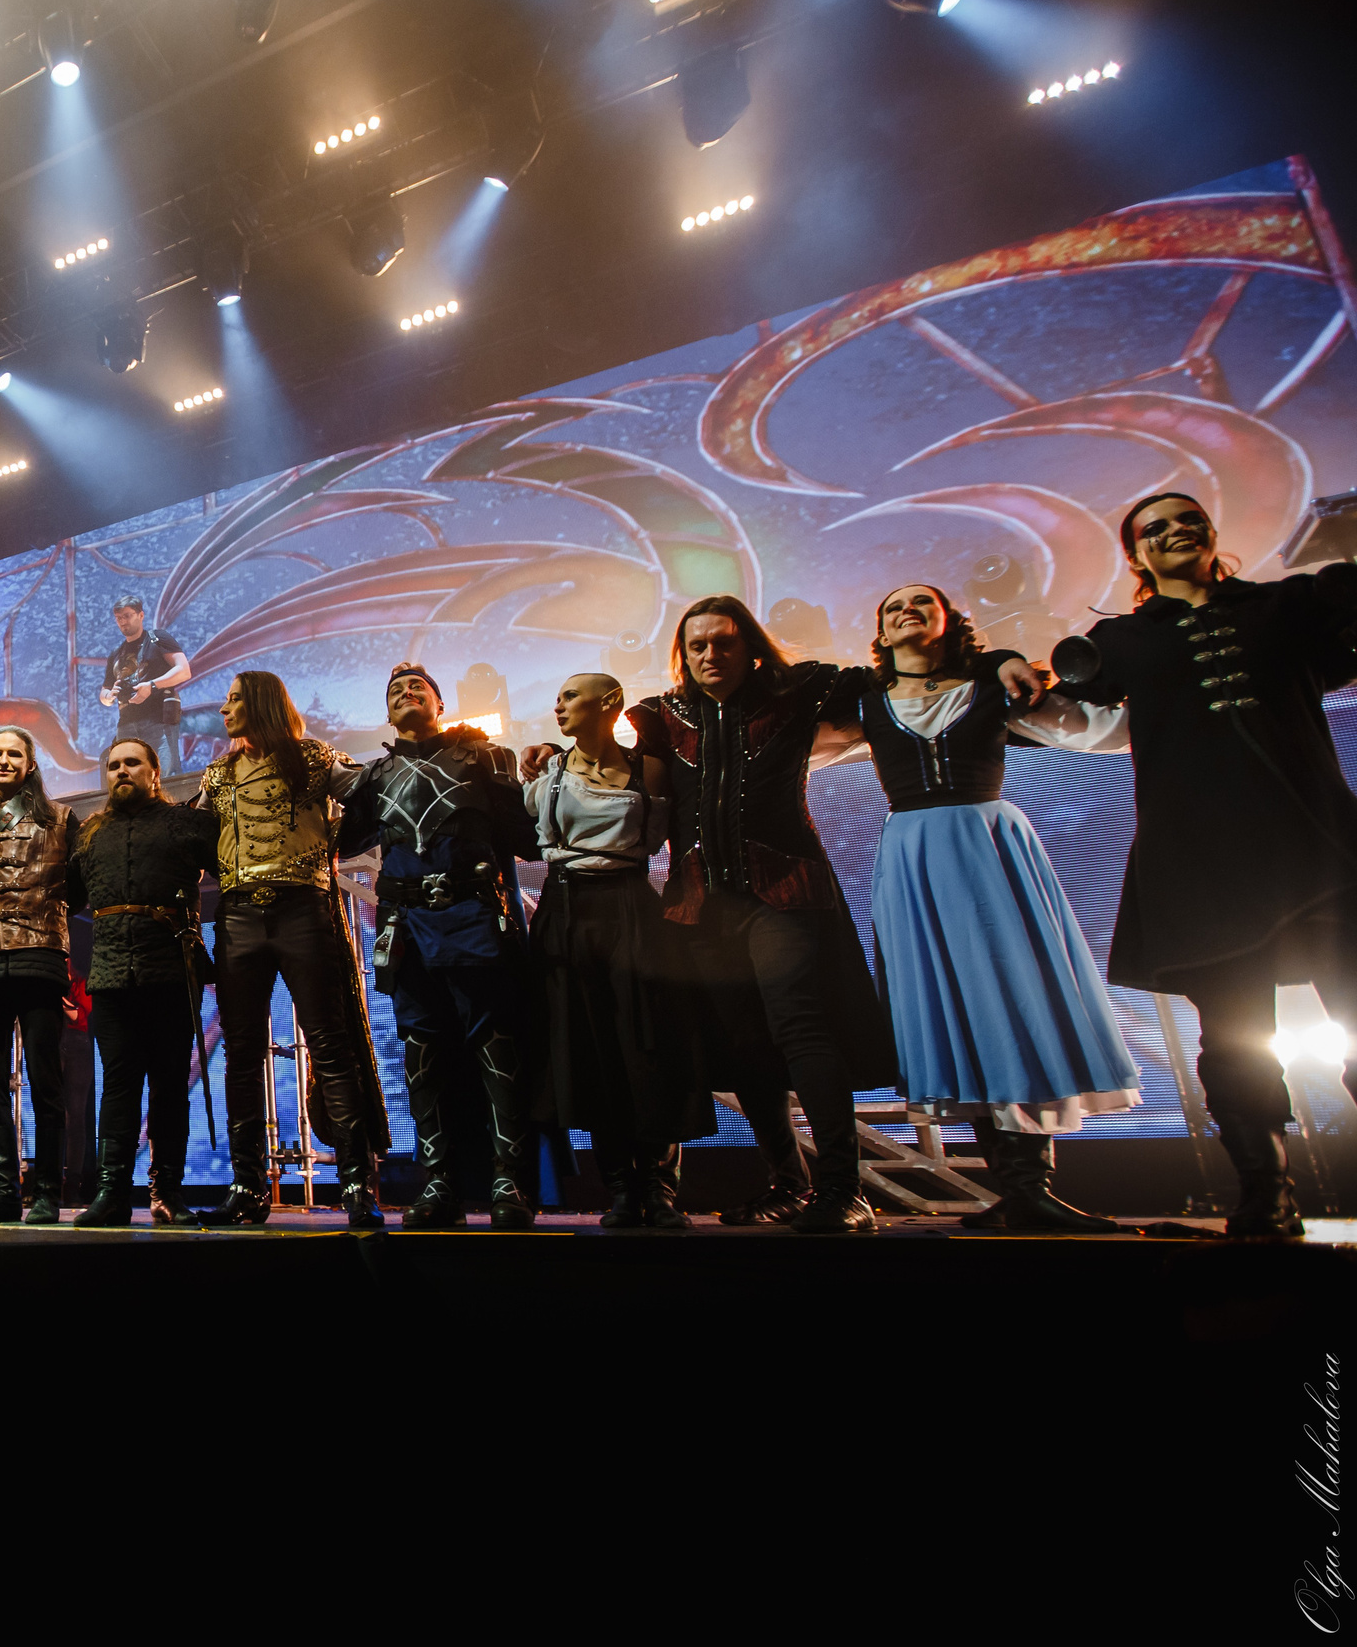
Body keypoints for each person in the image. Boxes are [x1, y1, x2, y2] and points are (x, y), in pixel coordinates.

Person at [544, 596, 1043, 1234]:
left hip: (786, 892)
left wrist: (997, 658)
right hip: (702, 907)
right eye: (696, 645)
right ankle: (789, 1182)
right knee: (744, 1048)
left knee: (803, 1032)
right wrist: (545, 752)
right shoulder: (661, 716)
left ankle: (842, 1190)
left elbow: (904, 672)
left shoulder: (802, 690)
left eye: (722, 642)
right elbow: (602, 750)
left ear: (750, 645)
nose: (709, 655)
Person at [1049, 493, 1357, 1236]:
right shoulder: (1121, 639)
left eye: (1189, 519)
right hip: (1201, 858)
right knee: (1233, 1033)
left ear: (1213, 534)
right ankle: (1266, 1191)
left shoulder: (1286, 606)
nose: (1176, 530)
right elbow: (1055, 706)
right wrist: (1003, 670)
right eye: (1155, 528)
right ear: (1136, 558)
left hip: (1313, 842)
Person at [854, 583, 1136, 1233]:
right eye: (893, 605)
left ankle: (1030, 1184)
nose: (907, 610)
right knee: (953, 1009)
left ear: (950, 620)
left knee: (1014, 1000)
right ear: (880, 629)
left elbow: (1102, 730)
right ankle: (1012, 1192)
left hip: (987, 849)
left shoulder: (992, 690)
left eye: (924, 601)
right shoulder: (865, 705)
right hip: (914, 859)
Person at [339, 663, 547, 1230]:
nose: (406, 694)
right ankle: (439, 1184)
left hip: (475, 919)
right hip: (405, 928)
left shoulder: (482, 758)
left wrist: (541, 767)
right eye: (394, 692)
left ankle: (510, 1184)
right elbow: (341, 839)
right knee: (423, 1059)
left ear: (440, 704)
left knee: (497, 1050)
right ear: (386, 714)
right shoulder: (375, 777)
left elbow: (526, 837)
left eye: (418, 688)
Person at [196, 671, 388, 1227]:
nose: (226, 708)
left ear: (259, 702)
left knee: (330, 1043)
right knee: (240, 1052)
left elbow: (372, 794)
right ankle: (248, 1186)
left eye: (234, 699)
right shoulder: (218, 773)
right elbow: (189, 837)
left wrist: (338, 844)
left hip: (304, 908)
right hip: (237, 916)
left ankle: (355, 1184)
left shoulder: (314, 757)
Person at [523, 674, 712, 1229]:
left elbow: (660, 840)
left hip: (630, 908)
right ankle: (620, 1186)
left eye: (570, 696)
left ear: (609, 704)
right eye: (556, 698)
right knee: (589, 1046)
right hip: (566, 912)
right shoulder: (546, 771)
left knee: (645, 1044)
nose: (558, 706)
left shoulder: (649, 769)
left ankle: (658, 1184)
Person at [67, 736, 220, 1226]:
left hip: (172, 972)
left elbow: (233, 875)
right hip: (111, 976)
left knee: (170, 1088)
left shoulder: (188, 824)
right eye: (113, 766)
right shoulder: (89, 834)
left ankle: (166, 1193)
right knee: (117, 1087)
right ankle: (112, 1193)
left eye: (132, 762)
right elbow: (67, 898)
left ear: (155, 771)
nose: (121, 771)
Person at [0, 729, 79, 1224]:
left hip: (40, 958)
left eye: (14, 754)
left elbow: (81, 888)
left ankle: (48, 1190)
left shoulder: (63, 819)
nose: (4, 760)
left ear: (30, 764)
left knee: (46, 1082)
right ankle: (4, 1189)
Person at [100, 594, 193, 772]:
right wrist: (109, 696)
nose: (122, 622)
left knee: (162, 777)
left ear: (140, 615)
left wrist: (151, 686)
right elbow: (104, 692)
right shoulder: (116, 653)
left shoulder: (158, 638)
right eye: (118, 618)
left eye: (127, 616)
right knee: (130, 779)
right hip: (126, 724)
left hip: (159, 721)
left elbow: (184, 670)